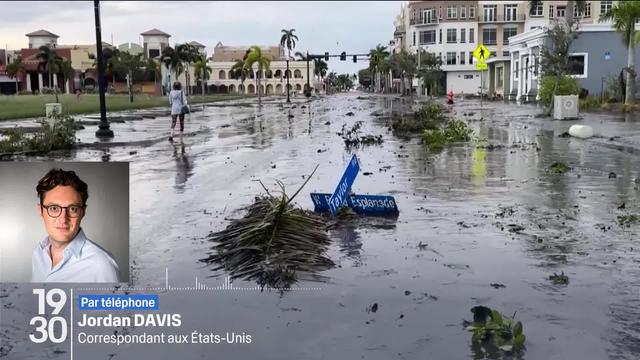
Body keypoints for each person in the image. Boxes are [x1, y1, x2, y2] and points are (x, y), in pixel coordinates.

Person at [32, 168, 120, 283]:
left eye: (72, 209)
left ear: (83, 212)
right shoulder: (38, 253)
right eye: (54, 208)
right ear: (40, 210)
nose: (63, 219)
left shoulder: (102, 266)